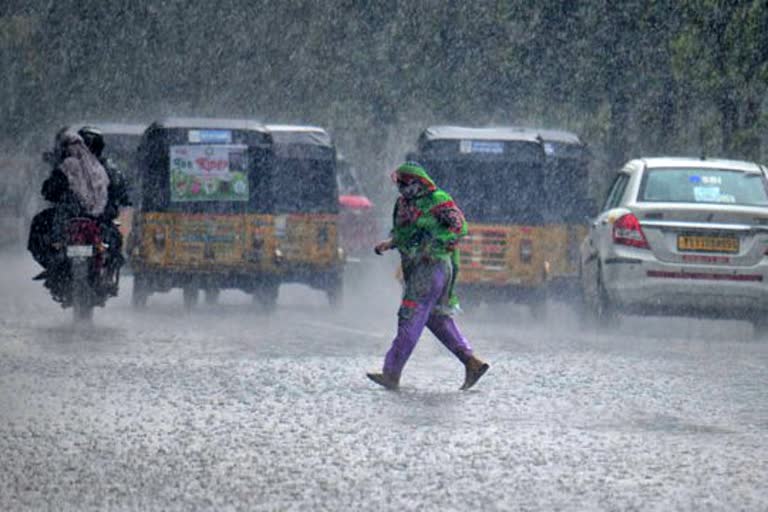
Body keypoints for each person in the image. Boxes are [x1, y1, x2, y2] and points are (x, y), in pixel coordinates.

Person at [367, 162, 489, 391]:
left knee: (410, 316)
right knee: (435, 319)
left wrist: (433, 246)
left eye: (406, 184)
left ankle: (391, 373)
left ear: (418, 182)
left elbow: (458, 227)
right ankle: (472, 362)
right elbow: (407, 234)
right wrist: (390, 244)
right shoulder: (404, 204)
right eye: (399, 184)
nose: (402, 188)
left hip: (432, 269)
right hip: (416, 269)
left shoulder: (438, 200)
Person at [27, 128, 110, 279]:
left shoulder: (68, 165)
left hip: (71, 214)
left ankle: (51, 263)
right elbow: (106, 192)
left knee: (40, 226)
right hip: (96, 215)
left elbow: (50, 190)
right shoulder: (98, 167)